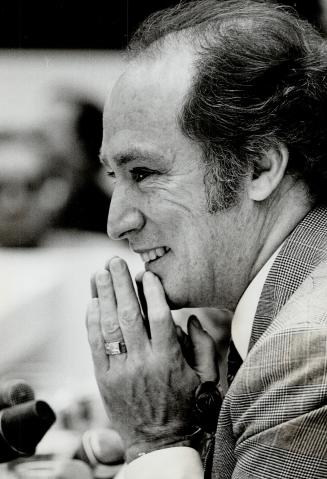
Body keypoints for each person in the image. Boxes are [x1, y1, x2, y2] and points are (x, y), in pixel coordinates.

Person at [85, 1, 327, 478]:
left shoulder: (303, 354)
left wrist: (156, 441)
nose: (118, 223)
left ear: (258, 168)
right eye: (114, 175)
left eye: (144, 172)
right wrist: (199, 435)